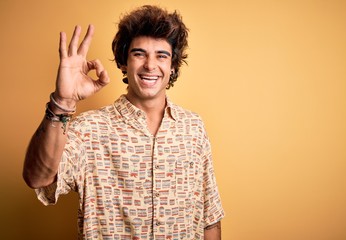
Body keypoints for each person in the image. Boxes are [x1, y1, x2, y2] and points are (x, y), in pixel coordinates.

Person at [23, 5, 224, 240]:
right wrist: (62, 101)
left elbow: (209, 218)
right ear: (123, 62)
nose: (150, 65)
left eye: (162, 55)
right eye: (139, 54)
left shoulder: (193, 128)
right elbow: (37, 178)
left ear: (172, 66)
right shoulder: (89, 130)